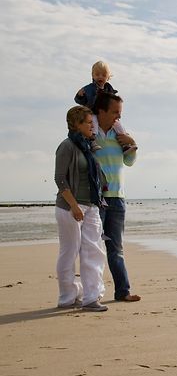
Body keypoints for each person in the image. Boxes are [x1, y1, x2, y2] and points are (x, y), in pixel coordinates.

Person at [54, 106, 108, 312]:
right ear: (76, 124)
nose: (92, 125)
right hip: (69, 207)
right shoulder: (66, 146)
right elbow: (59, 179)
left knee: (94, 251)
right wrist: (74, 205)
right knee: (69, 252)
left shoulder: (90, 146)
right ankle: (67, 297)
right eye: (88, 122)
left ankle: (91, 297)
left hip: (92, 205)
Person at [93, 91, 141, 302]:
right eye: (114, 112)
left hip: (118, 198)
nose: (118, 117)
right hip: (96, 199)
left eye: (120, 113)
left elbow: (129, 161)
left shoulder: (119, 135)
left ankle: (123, 292)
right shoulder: (90, 134)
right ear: (101, 111)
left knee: (116, 249)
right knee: (93, 248)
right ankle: (92, 294)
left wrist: (132, 144)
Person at [74, 61, 137, 154]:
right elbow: (80, 101)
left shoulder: (109, 89)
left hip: (105, 112)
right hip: (93, 111)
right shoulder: (89, 88)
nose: (100, 77)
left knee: (118, 125)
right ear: (93, 75)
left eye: (103, 75)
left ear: (108, 77)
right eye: (97, 74)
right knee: (93, 124)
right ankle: (92, 141)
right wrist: (80, 96)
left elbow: (113, 101)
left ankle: (124, 145)